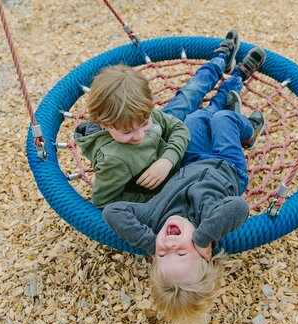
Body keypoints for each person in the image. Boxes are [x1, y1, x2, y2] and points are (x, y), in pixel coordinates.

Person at [102, 38, 267, 324]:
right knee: (224, 119)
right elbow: (238, 206)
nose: (170, 242)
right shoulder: (209, 222)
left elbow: (111, 212)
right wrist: (203, 237)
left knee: (196, 118)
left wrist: (148, 242)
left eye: (162, 253)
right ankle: (247, 124)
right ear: (204, 253)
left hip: (191, 160)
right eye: (182, 251)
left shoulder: (152, 217)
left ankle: (232, 86)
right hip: (228, 166)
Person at [74, 29, 242, 208]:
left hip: (165, 141)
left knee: (188, 95)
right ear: (104, 125)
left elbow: (177, 128)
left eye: (144, 123)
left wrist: (166, 159)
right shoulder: (114, 160)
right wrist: (156, 199)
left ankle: (220, 61)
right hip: (180, 173)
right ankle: (236, 81)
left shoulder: (139, 116)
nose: (138, 136)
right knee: (205, 117)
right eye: (127, 132)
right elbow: (104, 201)